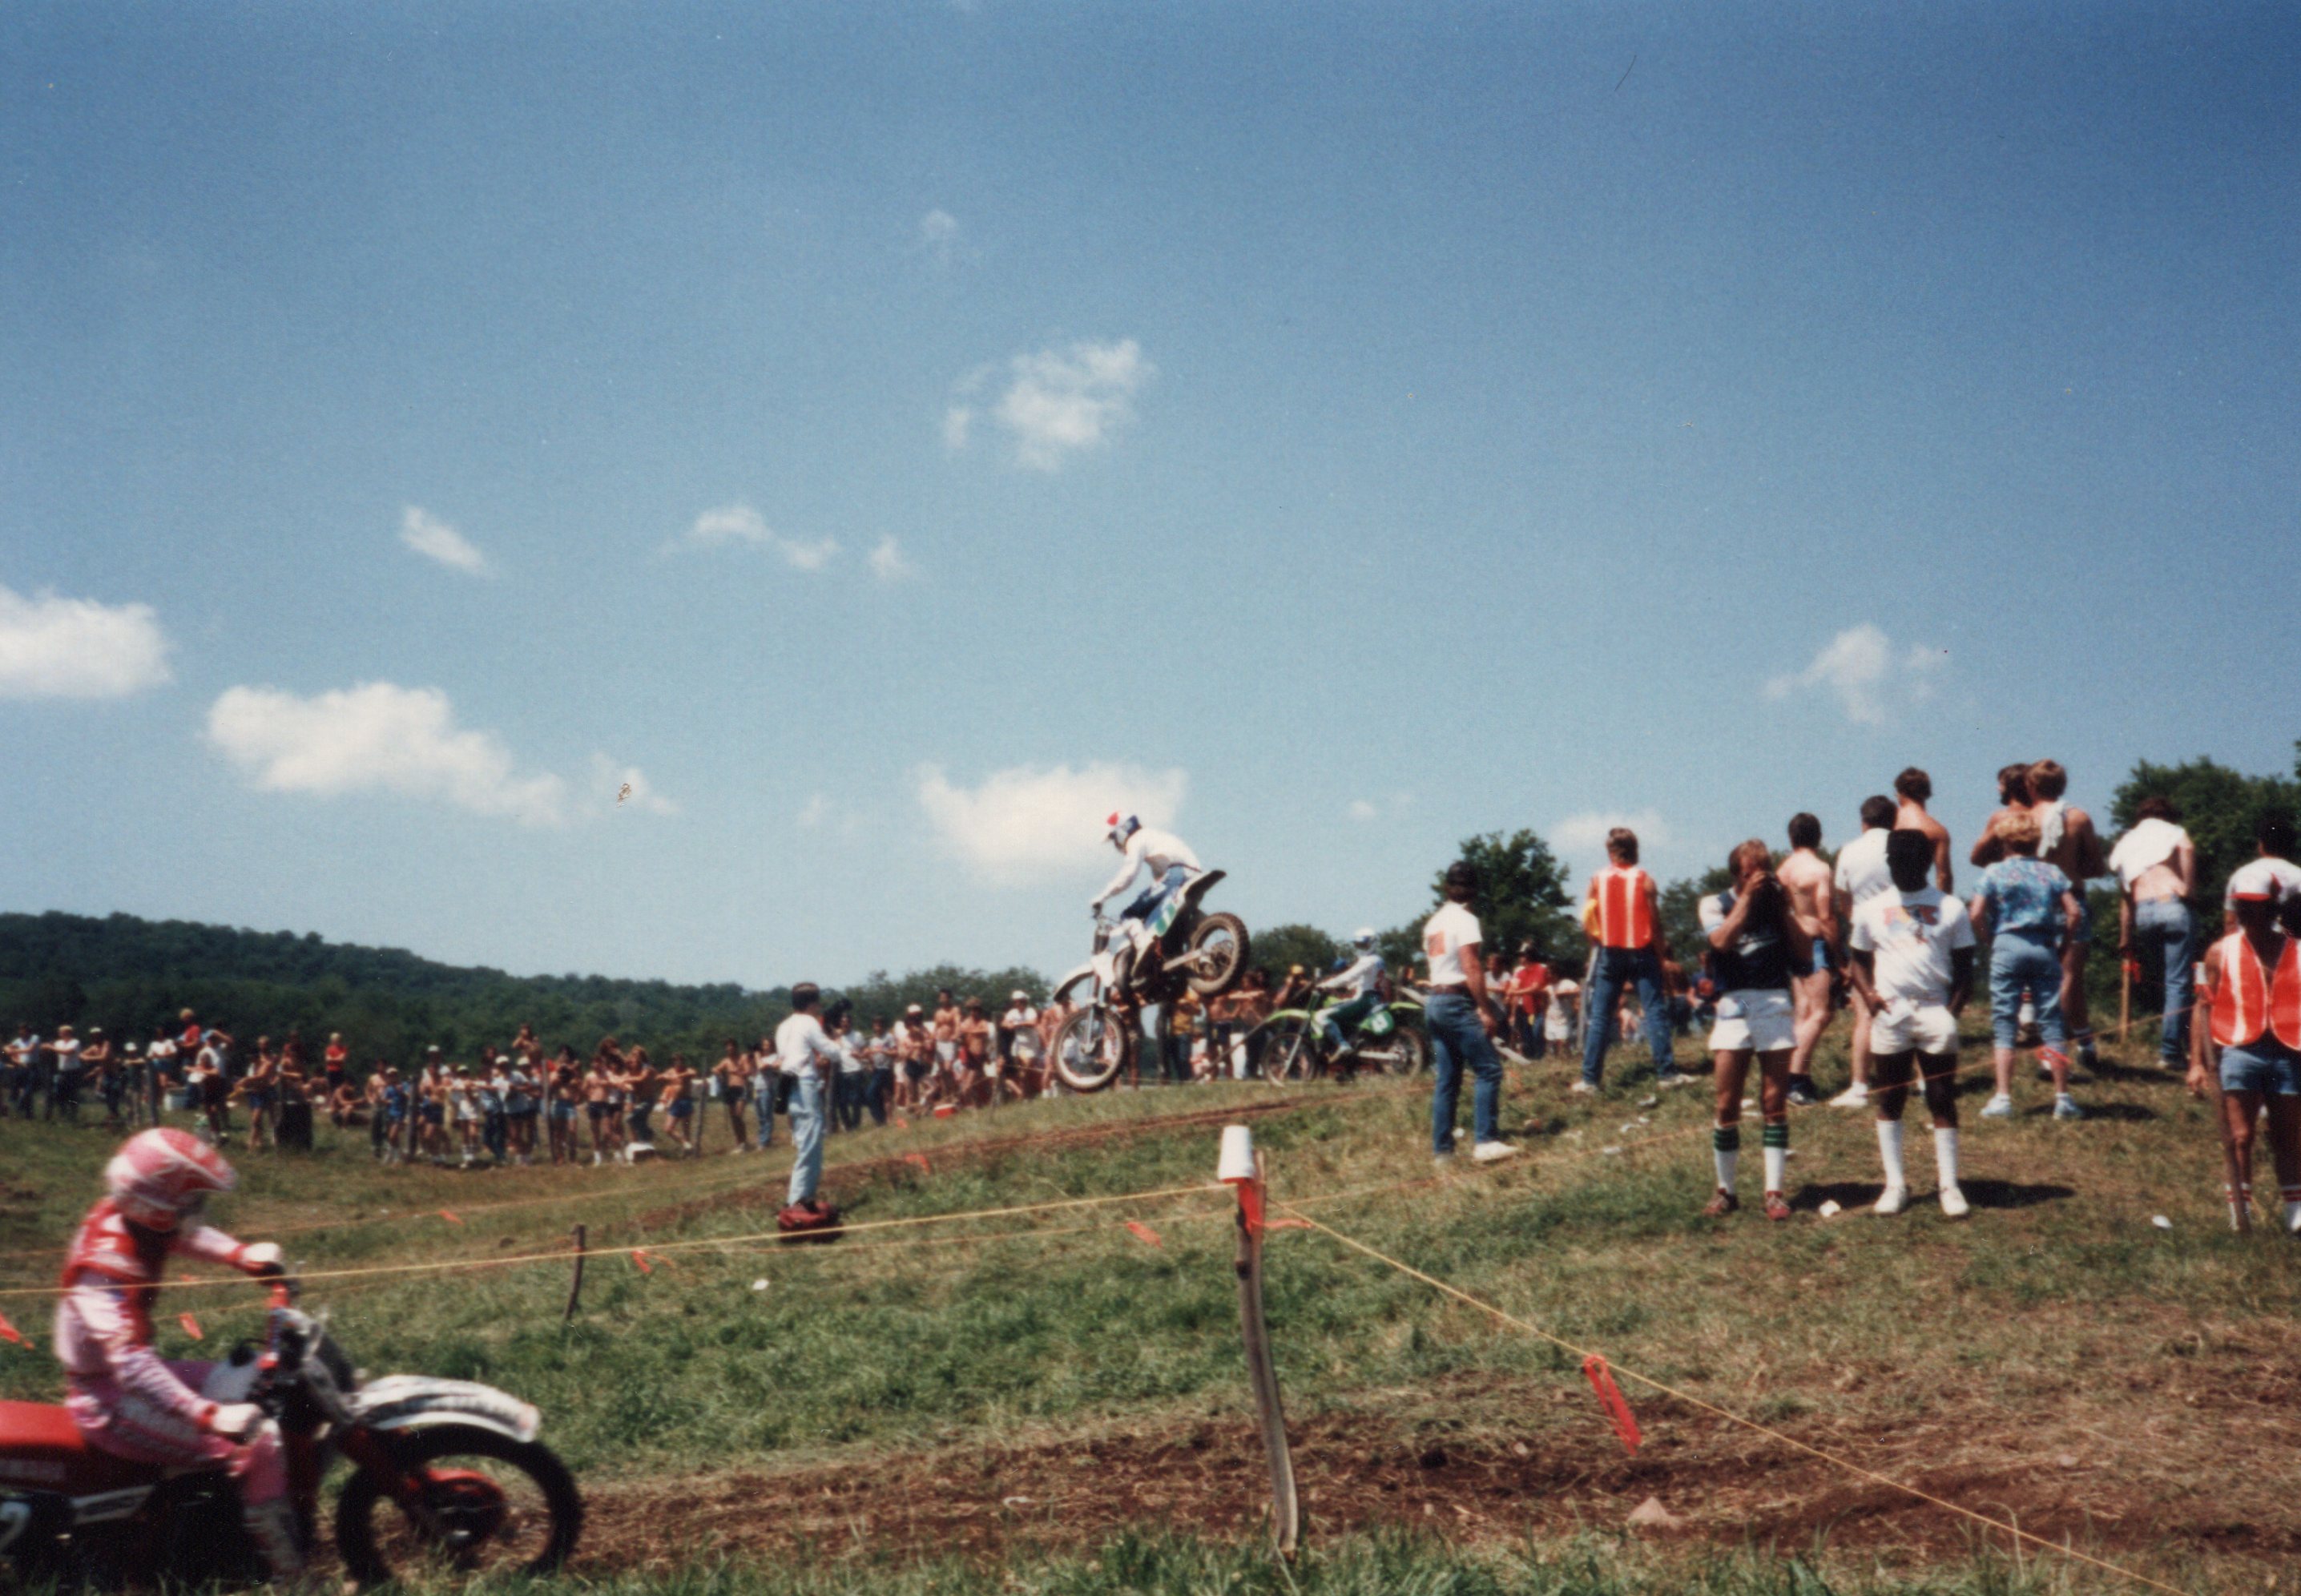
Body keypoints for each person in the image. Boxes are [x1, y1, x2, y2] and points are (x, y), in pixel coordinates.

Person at [57, 1129, 302, 1579]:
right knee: (260, 1440)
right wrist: (206, 1415)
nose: (196, 1213)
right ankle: (293, 1578)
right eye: (187, 1205)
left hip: (119, 1380)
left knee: (249, 1383)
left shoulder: (126, 1217)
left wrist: (241, 1254)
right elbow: (130, 1365)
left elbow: (182, 1235)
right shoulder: (103, 1271)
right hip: (108, 1400)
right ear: (155, 1207)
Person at [1847, 829, 1977, 1218]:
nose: (1900, 868)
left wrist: (1950, 1013)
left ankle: (1949, 1186)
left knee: (1941, 1097)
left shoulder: (1951, 907)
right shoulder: (1871, 908)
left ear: (1924, 863)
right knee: (1891, 1097)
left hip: (1935, 1009)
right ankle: (1895, 1185)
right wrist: (1870, 997)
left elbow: (1967, 970)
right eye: (1895, 861)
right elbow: (1856, 960)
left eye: (1908, 861)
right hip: (1891, 1013)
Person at [1697, 840, 1812, 1221]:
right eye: (1751, 873)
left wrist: (1783, 910)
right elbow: (1721, 941)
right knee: (1726, 1102)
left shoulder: (1777, 907)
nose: (1759, 880)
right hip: (1737, 1000)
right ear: (1737, 874)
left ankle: (1774, 1192)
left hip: (1773, 999)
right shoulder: (1715, 903)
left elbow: (1805, 953)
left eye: (1764, 872)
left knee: (1773, 1101)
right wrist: (1747, 898)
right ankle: (1725, 1190)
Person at [2190, 860, 2301, 1233]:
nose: (2250, 913)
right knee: (2239, 1135)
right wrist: (2198, 1063)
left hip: (2288, 1051)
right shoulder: (2219, 952)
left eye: (2258, 905)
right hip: (2238, 1049)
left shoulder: (2297, 950)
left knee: (2288, 1134)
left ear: (2273, 907)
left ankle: (2295, 1213)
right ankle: (2241, 1210)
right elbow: (2201, 1009)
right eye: (2243, 906)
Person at [1969, 808, 2084, 1120]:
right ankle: (2063, 1098)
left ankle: (2003, 1097)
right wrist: (2064, 943)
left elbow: (1976, 913)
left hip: (2007, 944)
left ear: (2005, 841)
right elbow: (2074, 913)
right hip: (2044, 946)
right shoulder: (2052, 873)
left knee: (2004, 1022)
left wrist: (1989, 940)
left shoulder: (1993, 872)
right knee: (2051, 1021)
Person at [1422, 861, 1518, 1165]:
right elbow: (1471, 966)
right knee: (1489, 1069)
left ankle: (1443, 1152)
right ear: (1474, 891)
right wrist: (1485, 1009)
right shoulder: (1466, 920)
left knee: (1448, 1079)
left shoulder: (1433, 923)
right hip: (1456, 1002)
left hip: (1435, 1001)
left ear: (1447, 887)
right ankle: (1486, 1142)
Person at [1577, 827, 1681, 1092]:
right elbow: (1656, 924)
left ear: (1610, 851)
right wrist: (1661, 957)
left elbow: (1587, 919)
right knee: (1654, 1009)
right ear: (1635, 851)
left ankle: (1590, 1079)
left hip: (1609, 952)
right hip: (1642, 951)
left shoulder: (1596, 879)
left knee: (1600, 1015)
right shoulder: (1645, 880)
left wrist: (1594, 946)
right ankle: (1667, 1074)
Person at [2026, 760, 2110, 1070]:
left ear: (2031, 786)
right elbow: (2098, 867)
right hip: (2071, 898)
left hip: (2032, 900)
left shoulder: (2022, 819)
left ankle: (2084, 1041)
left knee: (2049, 979)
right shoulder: (2078, 817)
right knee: (2069, 976)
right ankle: (2056, 1050)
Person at [2111, 796, 2198, 1071]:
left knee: (2163, 980)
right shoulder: (2175, 833)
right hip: (2171, 905)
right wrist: (2189, 890)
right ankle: (2171, 1051)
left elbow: (2125, 897)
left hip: (2143, 914)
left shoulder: (2126, 843)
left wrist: (2125, 936)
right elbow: (2188, 853)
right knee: (2178, 983)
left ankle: (2174, 1041)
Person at [1830, 796, 1899, 1109]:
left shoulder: (1849, 851)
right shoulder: (1900, 845)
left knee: (1864, 1010)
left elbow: (1842, 898)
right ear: (1892, 820)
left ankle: (1859, 1085)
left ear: (1864, 821)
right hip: (1898, 927)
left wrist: (1856, 921)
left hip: (1863, 930)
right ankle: (1921, 1080)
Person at [1089, 813, 1203, 996]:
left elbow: (1128, 875)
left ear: (1121, 832)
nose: (1116, 845)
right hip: (1192, 874)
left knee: (1129, 914)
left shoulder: (1137, 840)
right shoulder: (1155, 838)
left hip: (1178, 874)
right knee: (1158, 921)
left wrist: (1102, 896)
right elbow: (1158, 879)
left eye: (1113, 839)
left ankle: (1143, 944)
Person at [1779, 813, 1839, 1106]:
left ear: (1791, 838)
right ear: (1819, 837)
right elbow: (1825, 916)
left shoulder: (1783, 870)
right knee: (1822, 1013)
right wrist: (1840, 957)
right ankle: (1795, 1077)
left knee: (1803, 1012)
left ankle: (1793, 1074)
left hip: (1792, 943)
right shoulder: (1819, 869)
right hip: (1815, 942)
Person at [777, 984, 844, 1216]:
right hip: (804, 1082)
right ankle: (800, 1200)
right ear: (811, 1003)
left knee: (805, 1140)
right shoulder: (809, 1023)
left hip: (788, 1083)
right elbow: (832, 1052)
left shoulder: (784, 1026)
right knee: (812, 1142)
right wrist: (837, 1039)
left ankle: (797, 1198)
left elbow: (786, 1056)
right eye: (818, 1002)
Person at [1315, 929, 1388, 1061]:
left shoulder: (1367, 960)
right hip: (1375, 998)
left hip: (1365, 999)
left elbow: (1348, 976)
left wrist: (1326, 985)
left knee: (1321, 1016)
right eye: (1358, 945)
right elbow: (1361, 980)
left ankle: (1342, 1045)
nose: (1360, 948)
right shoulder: (1379, 960)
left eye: (1363, 945)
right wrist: (1343, 985)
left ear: (1372, 944)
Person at [1892, 768, 1955, 893]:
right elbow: (1943, 876)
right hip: (1922, 898)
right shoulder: (1937, 830)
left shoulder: (1889, 822)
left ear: (1900, 793)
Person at [1503, 945, 1550, 1061]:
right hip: (1528, 1011)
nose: (1520, 958)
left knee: (1537, 1033)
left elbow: (1535, 988)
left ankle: (1540, 1058)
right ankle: (1531, 1059)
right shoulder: (1521, 972)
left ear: (1529, 956)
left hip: (1539, 1010)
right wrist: (1509, 994)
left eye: (1522, 955)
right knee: (1527, 1035)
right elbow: (1515, 985)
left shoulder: (1541, 969)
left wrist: (1515, 992)